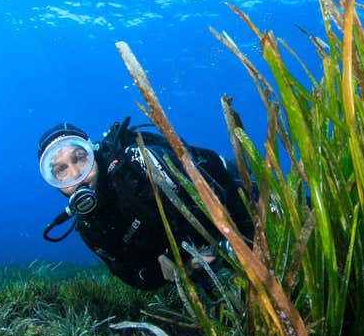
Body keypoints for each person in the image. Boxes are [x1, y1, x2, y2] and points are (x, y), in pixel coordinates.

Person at [37, 117, 253, 290]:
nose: (77, 175)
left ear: (93, 153)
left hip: (231, 195)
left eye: (80, 158)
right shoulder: (89, 227)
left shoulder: (136, 165)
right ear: (54, 182)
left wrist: (196, 247)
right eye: (61, 170)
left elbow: (211, 198)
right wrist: (168, 270)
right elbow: (131, 275)